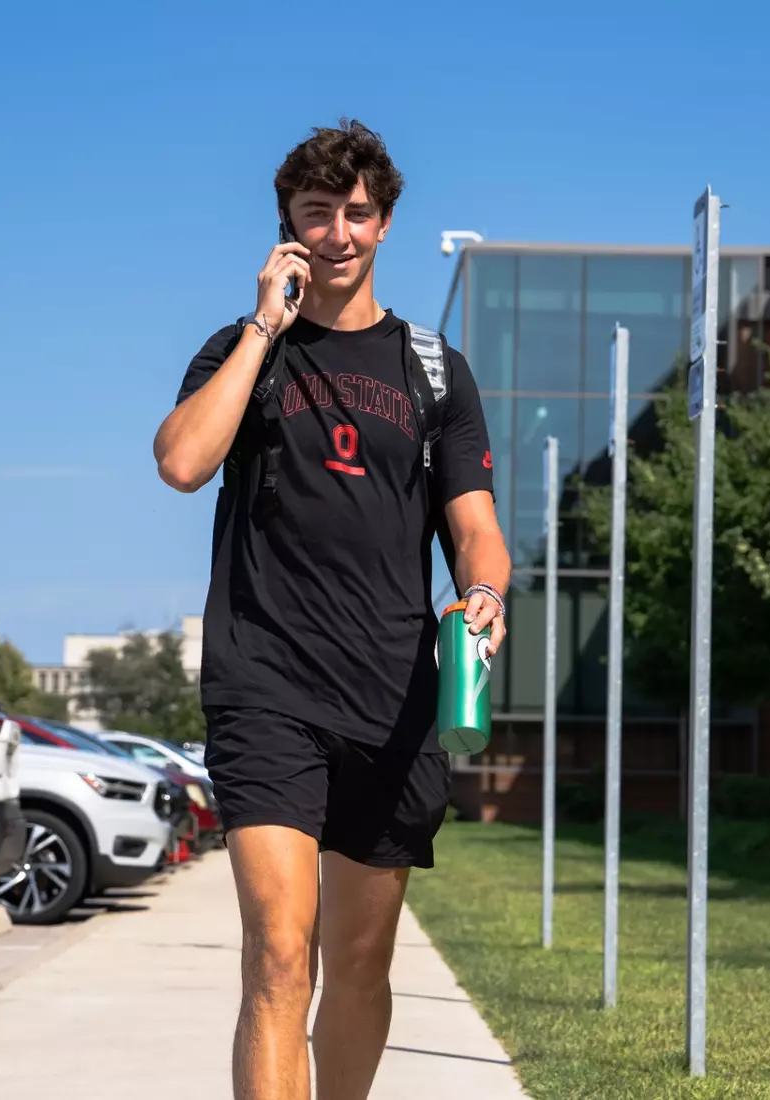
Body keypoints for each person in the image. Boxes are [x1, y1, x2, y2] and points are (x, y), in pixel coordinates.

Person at [152, 119, 511, 1100]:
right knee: (279, 953)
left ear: (385, 221)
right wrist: (265, 323)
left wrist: (482, 592)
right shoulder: (243, 350)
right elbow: (183, 461)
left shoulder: (433, 369)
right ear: (287, 228)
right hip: (265, 686)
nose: (340, 231)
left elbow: (476, 526)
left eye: (357, 211)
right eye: (319, 213)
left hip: (393, 698)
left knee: (359, 965)